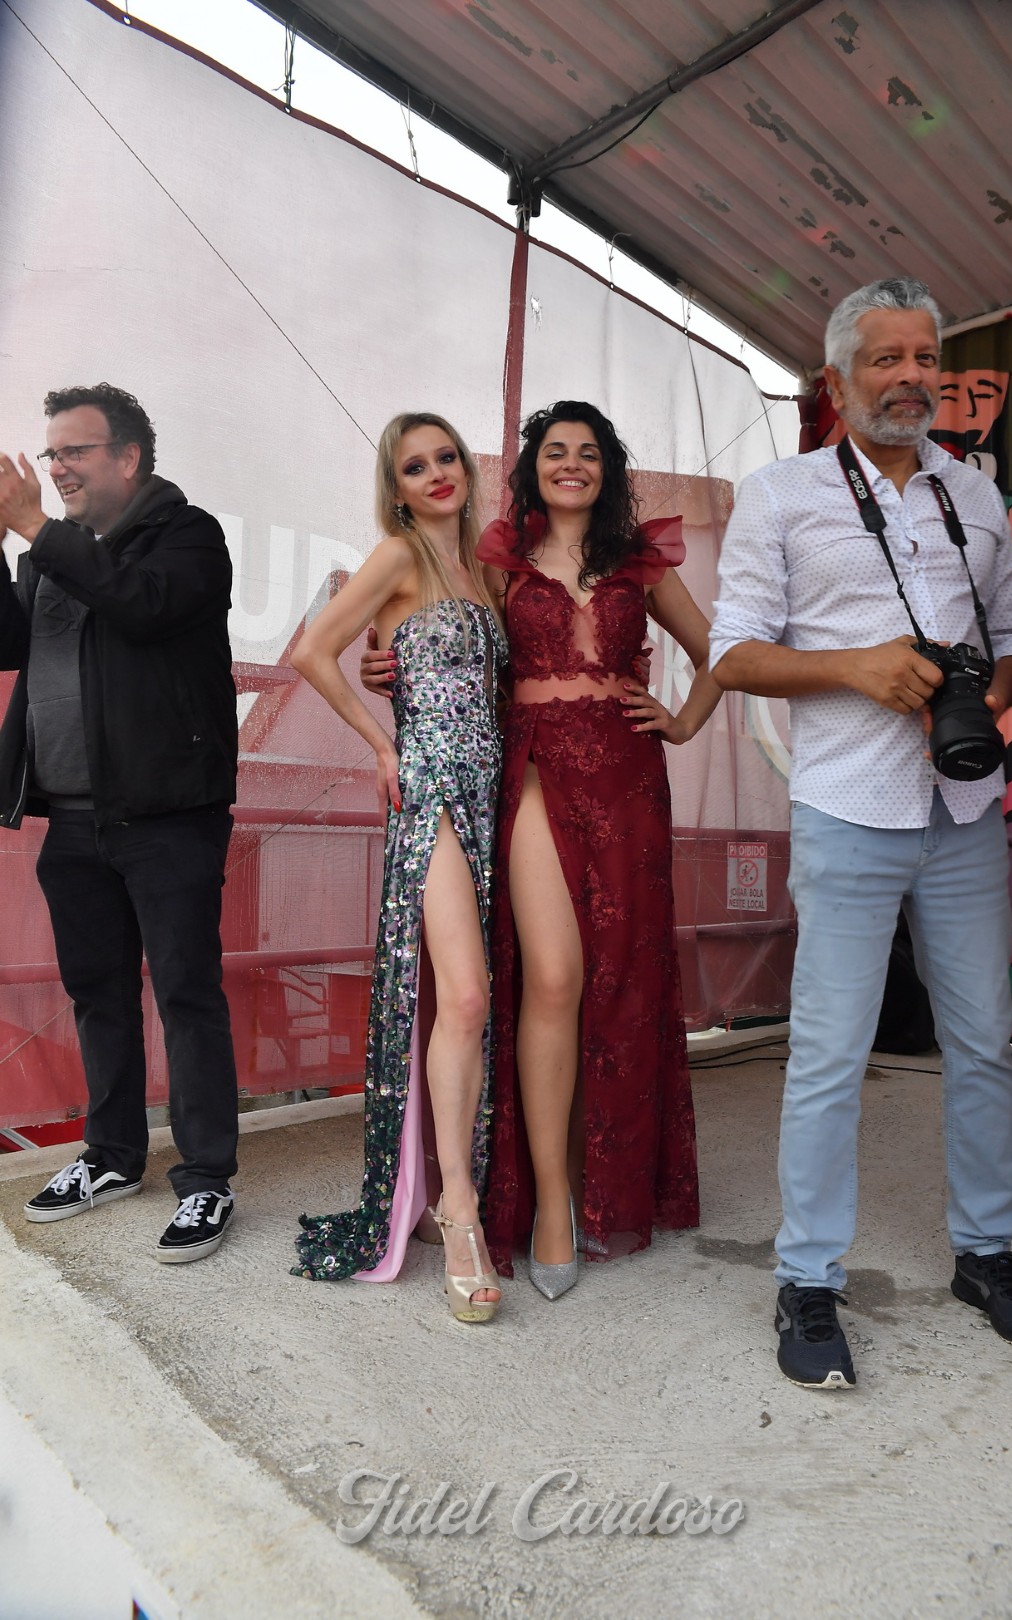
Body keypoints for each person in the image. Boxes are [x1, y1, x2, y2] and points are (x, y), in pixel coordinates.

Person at [709, 277, 1012, 1389]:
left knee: (985, 1045)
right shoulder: (779, 495)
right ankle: (807, 1278)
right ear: (838, 379)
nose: (911, 378)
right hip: (847, 809)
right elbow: (733, 652)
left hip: (964, 807)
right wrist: (856, 670)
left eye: (925, 358)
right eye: (887, 359)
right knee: (828, 1054)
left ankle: (986, 1255)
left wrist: (992, 691)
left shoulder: (975, 494)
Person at [476, 401, 720, 1296]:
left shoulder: (638, 560)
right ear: (532, 468)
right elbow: (452, 641)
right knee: (552, 978)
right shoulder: (498, 558)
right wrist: (388, 665)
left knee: (619, 980)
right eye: (555, 451)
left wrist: (682, 722)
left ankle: (606, 1185)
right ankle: (551, 1201)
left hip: (628, 780)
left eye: (587, 452)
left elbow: (720, 652)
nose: (570, 464)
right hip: (536, 769)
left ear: (607, 470)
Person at [0, 384, 239, 1261]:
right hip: (72, 818)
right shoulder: (48, 555)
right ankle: (111, 1156)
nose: (56, 467)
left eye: (74, 451)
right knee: (97, 993)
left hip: (167, 814)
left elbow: (141, 604)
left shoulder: (188, 536)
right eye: (50, 452)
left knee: (185, 993)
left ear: (128, 457)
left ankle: (207, 1177)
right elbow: (8, 646)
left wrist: (35, 528)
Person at [289, 413, 506, 1324]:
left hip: (493, 795)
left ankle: (451, 1189)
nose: (437, 474)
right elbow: (311, 651)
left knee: (470, 1000)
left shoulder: (487, 570)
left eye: (447, 457)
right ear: (399, 489)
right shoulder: (397, 556)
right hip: (432, 790)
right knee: (466, 998)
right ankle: (459, 1210)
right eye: (416, 467)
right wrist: (383, 746)